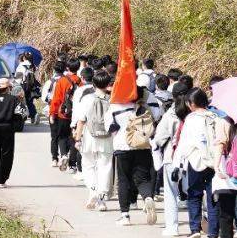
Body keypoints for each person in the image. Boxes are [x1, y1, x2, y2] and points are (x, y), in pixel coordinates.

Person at [106, 85, 162, 226]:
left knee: (123, 180)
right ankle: (148, 197)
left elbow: (109, 127)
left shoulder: (115, 106)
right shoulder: (146, 103)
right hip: (142, 145)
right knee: (142, 178)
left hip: (122, 146)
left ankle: (125, 215)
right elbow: (157, 116)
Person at [175, 88, 222, 238]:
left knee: (194, 195)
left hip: (196, 161)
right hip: (214, 162)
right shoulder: (215, 116)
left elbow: (184, 143)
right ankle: (213, 234)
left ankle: (195, 228)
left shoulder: (190, 119)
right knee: (213, 196)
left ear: (192, 104)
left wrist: (178, 164)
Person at [74, 70, 115, 211]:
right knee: (105, 167)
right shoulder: (112, 99)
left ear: (93, 83)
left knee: (88, 166)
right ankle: (101, 200)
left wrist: (77, 139)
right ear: (108, 84)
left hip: (90, 137)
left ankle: (92, 191)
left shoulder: (87, 99)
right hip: (108, 138)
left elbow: (81, 121)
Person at [153, 93, 190, 236]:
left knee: (171, 192)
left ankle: (172, 227)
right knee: (195, 192)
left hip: (172, 157)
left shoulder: (170, 115)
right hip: (193, 158)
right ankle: (200, 223)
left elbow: (159, 138)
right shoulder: (195, 115)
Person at [49, 60, 80, 170]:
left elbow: (56, 99)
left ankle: (63, 155)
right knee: (73, 137)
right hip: (76, 114)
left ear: (67, 68)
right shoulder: (80, 81)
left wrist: (52, 113)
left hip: (63, 113)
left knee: (62, 136)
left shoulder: (62, 81)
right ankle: (72, 164)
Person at [14, 52, 40, 123]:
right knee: (29, 101)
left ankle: (22, 117)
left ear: (24, 58)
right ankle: (34, 115)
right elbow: (37, 77)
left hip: (23, 85)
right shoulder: (34, 66)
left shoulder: (21, 66)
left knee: (21, 101)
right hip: (32, 86)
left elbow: (18, 78)